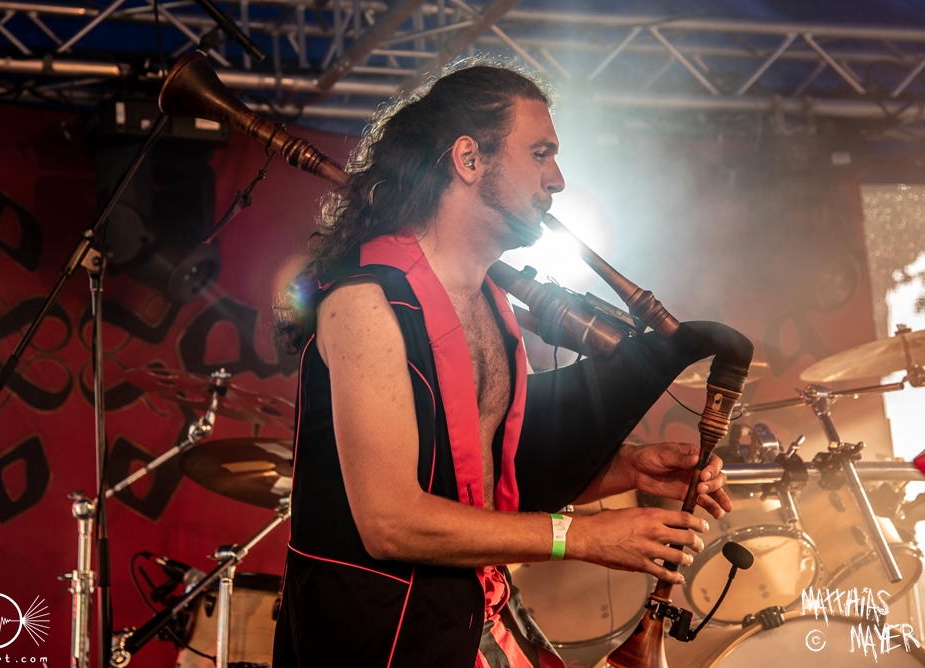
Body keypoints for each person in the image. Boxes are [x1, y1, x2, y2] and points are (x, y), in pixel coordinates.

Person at [271, 62, 733, 668]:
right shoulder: (365, 306)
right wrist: (584, 537)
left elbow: (484, 486)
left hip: (473, 615)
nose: (557, 180)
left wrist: (628, 468)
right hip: (384, 643)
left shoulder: (492, 305)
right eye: (541, 154)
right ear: (469, 159)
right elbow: (391, 521)